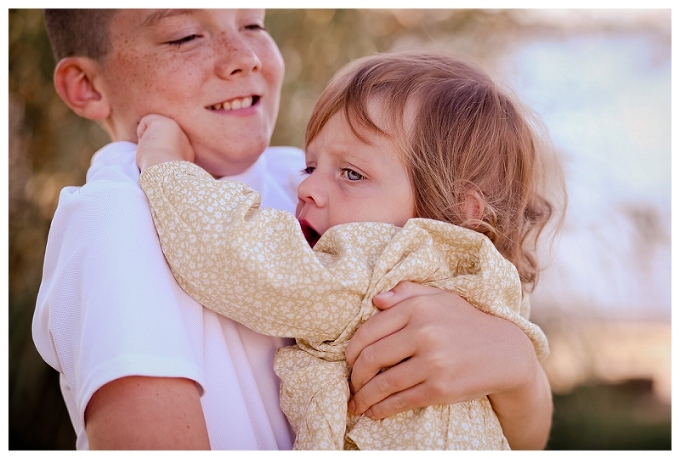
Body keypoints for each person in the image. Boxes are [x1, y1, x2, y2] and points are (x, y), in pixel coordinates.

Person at [32, 9, 556, 450]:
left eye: (255, 24)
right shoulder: (114, 218)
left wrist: (520, 369)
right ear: (86, 87)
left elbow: (523, 435)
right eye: (184, 35)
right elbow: (234, 256)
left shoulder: (303, 184)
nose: (246, 56)